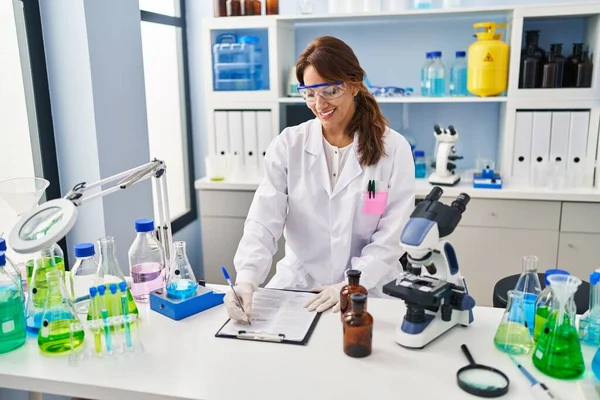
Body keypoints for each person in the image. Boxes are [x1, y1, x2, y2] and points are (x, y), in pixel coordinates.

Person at [224, 36, 415, 323]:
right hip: (301, 284)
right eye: (309, 93)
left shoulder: (393, 148)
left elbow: (391, 235)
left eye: (330, 90)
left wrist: (352, 283)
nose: (319, 103)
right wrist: (247, 280)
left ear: (353, 85)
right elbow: (264, 221)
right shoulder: (288, 145)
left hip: (369, 286)